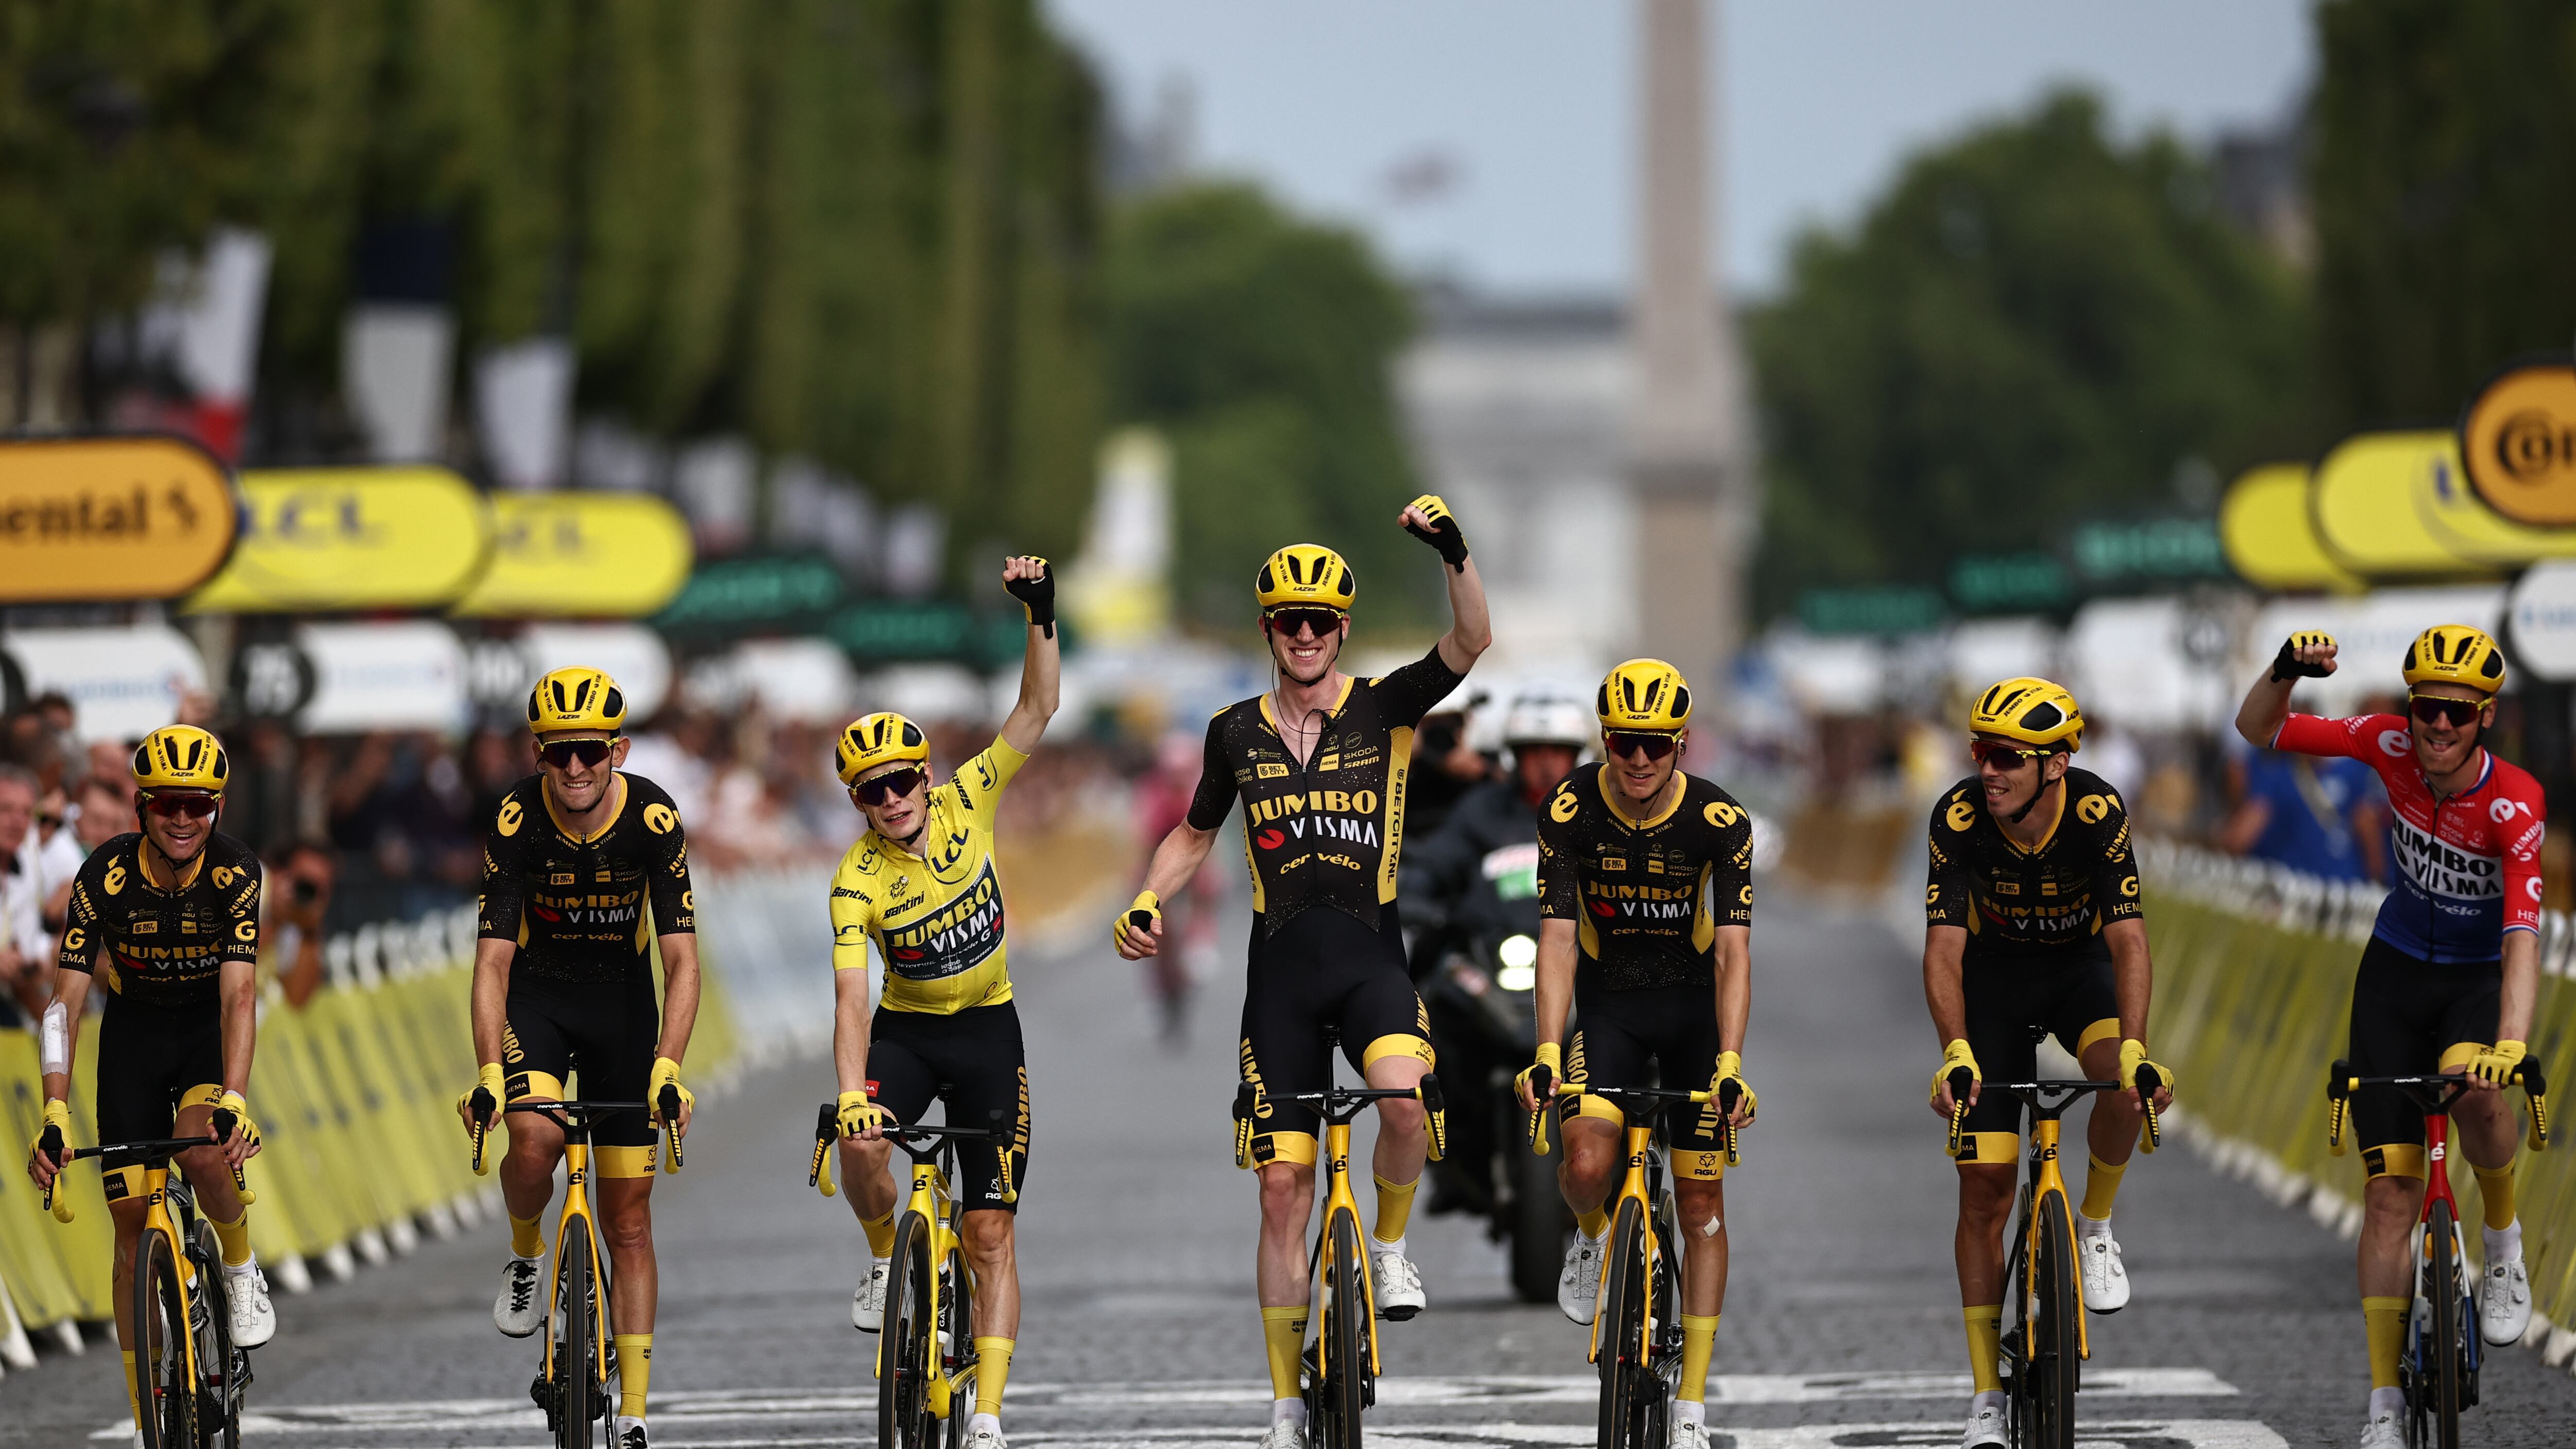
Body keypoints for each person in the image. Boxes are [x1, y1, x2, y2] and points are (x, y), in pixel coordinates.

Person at [1114, 496, 1490, 1449]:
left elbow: (1472, 637)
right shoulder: (1233, 730)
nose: (1309, 634)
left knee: (1403, 1103)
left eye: (1323, 621)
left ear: (1343, 631)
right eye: (1292, 620)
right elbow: (1194, 834)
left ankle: (1393, 1245)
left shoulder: (1385, 706)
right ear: (1270, 630)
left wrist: (1450, 548)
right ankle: (1286, 1404)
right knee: (1281, 1189)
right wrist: (1150, 899)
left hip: (1371, 957)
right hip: (1279, 973)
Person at [2234, 627, 2543, 1449]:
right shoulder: (2387, 745)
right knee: (2387, 1198)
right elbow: (2258, 730)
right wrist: (2284, 672)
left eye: (2456, 713)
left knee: (2478, 1088)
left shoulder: (2516, 801)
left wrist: (2510, 1041)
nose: (2437, 726)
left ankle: (2503, 1242)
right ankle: (2383, 1407)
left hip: (2477, 980)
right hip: (2395, 977)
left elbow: (2522, 933)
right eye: (2426, 708)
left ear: (2485, 718)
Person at [830, 555, 1059, 1449]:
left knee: (990, 1227)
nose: (891, 799)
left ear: (927, 775)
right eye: (870, 791)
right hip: (908, 1033)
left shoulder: (971, 794)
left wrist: (1040, 612)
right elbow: (852, 996)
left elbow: (1036, 710)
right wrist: (854, 1091)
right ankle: (887, 1255)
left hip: (989, 1032)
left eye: (901, 780)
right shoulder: (855, 879)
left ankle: (991, 1412)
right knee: (859, 1144)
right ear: (857, 803)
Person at [1922, 678, 2171, 1449]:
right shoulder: (1959, 819)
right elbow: (1944, 950)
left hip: (2076, 975)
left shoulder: (2098, 813)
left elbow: (2129, 940)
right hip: (1992, 987)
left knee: (2126, 1091)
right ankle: (1987, 1398)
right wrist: (1955, 1051)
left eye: (2005, 758)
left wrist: (2134, 1048)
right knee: (1985, 1187)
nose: (1986, 771)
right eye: (1979, 753)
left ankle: (2093, 1224)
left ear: (2056, 765)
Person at [456, 667, 701, 1449]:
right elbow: (491, 963)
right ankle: (528, 1253)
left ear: (617, 751)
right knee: (535, 1136)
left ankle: (633, 1410)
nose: (574, 771)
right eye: (558, 756)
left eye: (590, 753)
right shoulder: (516, 817)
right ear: (538, 756)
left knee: (628, 1223)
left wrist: (668, 1066)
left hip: (625, 1008)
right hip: (540, 997)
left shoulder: (655, 818)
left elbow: (683, 962)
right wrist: (491, 1070)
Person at [1514, 661, 1755, 1449]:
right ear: (1604, 740)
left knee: (1700, 1209)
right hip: (1609, 1006)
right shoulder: (1570, 808)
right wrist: (1548, 1048)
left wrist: (1728, 1063)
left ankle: (1690, 1406)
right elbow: (1554, 941)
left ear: (1681, 744)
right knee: (1585, 1165)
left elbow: (1731, 956)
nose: (1640, 760)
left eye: (1656, 745)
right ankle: (1590, 1240)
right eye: (1624, 743)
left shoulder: (1721, 823)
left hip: (1690, 1015)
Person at [24, 726, 276, 1446]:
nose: (183, 819)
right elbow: (62, 1004)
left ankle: (239, 1266)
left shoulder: (236, 873)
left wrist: (234, 1097)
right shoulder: (103, 875)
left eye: (198, 804)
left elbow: (238, 999)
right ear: (141, 805)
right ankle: (145, 1419)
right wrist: (53, 1108)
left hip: (204, 1031)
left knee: (201, 1151)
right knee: (132, 1230)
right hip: (134, 1035)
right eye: (168, 804)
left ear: (217, 807)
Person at [1400, 688, 1588, 1214]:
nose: (1546, 761)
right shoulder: (1480, 810)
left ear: (1576, 756)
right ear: (1513, 753)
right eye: (1533, 749)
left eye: (1558, 750)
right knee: (1435, 1032)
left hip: (1581, 965)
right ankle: (1455, 1164)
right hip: (1492, 965)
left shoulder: (1600, 811)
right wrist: (1415, 897)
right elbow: (1432, 867)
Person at [2216, 736, 2386, 883]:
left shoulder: (2278, 775)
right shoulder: (2352, 769)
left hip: (2300, 883)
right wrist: (2377, 877)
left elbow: (2241, 837)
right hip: (2345, 880)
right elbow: (2367, 825)